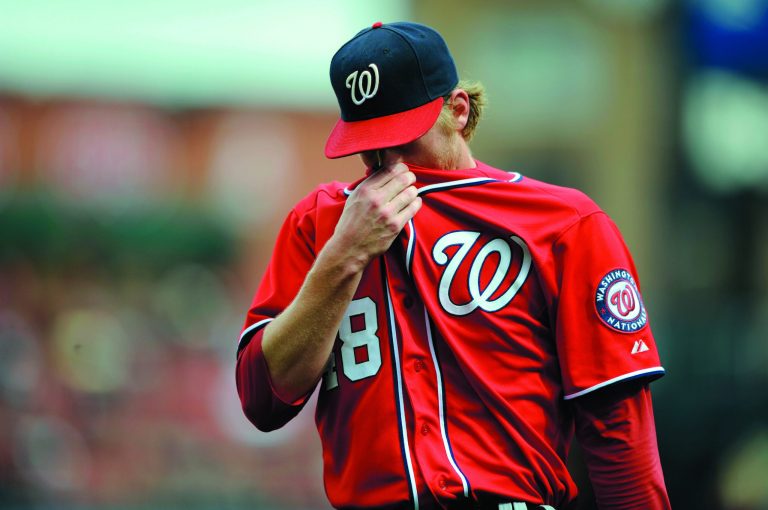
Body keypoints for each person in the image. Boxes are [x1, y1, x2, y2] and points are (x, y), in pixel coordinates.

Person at [236, 21, 671, 510]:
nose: (388, 160)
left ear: (458, 111)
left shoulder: (563, 223)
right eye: (370, 144)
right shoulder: (320, 225)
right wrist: (343, 256)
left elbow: (618, 430)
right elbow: (261, 401)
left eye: (403, 137)